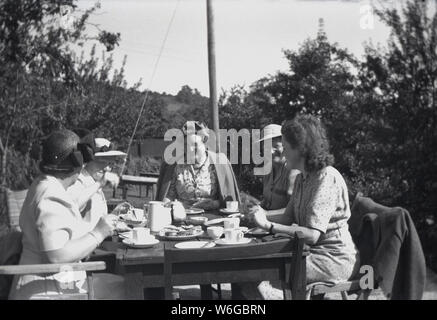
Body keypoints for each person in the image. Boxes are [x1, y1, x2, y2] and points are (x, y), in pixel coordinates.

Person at [242, 115, 360, 299]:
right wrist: (257, 214)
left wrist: (268, 225)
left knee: (258, 274)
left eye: (286, 147)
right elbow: (288, 216)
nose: (283, 153)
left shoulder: (326, 178)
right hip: (308, 253)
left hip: (332, 258)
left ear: (301, 149)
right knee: (250, 270)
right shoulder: (302, 178)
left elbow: (313, 235)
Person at [9, 130, 125, 300]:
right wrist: (99, 232)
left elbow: (66, 209)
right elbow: (56, 255)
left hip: (49, 284)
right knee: (127, 288)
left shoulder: (44, 184)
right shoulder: (52, 195)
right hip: (47, 291)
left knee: (118, 285)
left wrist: (98, 184)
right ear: (76, 164)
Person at [156, 121, 240, 209]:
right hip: (181, 216)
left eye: (195, 145)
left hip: (213, 217)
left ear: (204, 143)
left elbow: (229, 200)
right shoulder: (176, 165)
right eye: (186, 145)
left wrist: (213, 204)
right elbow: (168, 196)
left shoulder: (219, 163)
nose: (190, 149)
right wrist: (169, 204)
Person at [67, 128, 126, 230]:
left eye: (110, 163)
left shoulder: (93, 181)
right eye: (102, 162)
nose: (107, 168)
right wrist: (99, 183)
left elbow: (95, 220)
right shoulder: (79, 181)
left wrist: (115, 214)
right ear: (89, 160)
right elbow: (71, 207)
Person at [257, 124, 300, 213]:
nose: (270, 151)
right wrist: (255, 207)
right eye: (266, 147)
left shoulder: (294, 172)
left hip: (285, 225)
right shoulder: (268, 170)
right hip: (267, 221)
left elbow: (294, 211)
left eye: (276, 146)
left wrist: (264, 214)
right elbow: (267, 201)